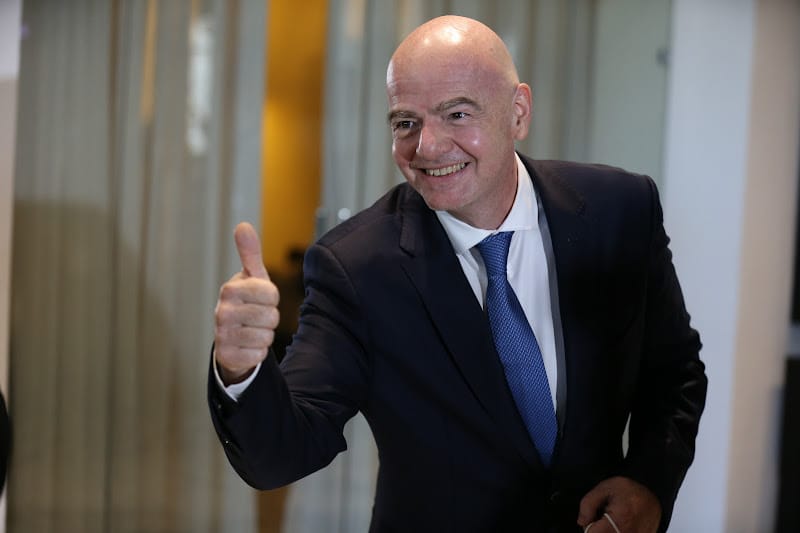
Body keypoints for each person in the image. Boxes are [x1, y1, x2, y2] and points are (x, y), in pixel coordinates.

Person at [209, 15, 707, 533]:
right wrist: (241, 371)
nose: (426, 146)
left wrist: (649, 483)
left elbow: (675, 372)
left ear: (518, 113)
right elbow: (280, 454)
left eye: (457, 113)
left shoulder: (620, 210)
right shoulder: (355, 267)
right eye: (405, 122)